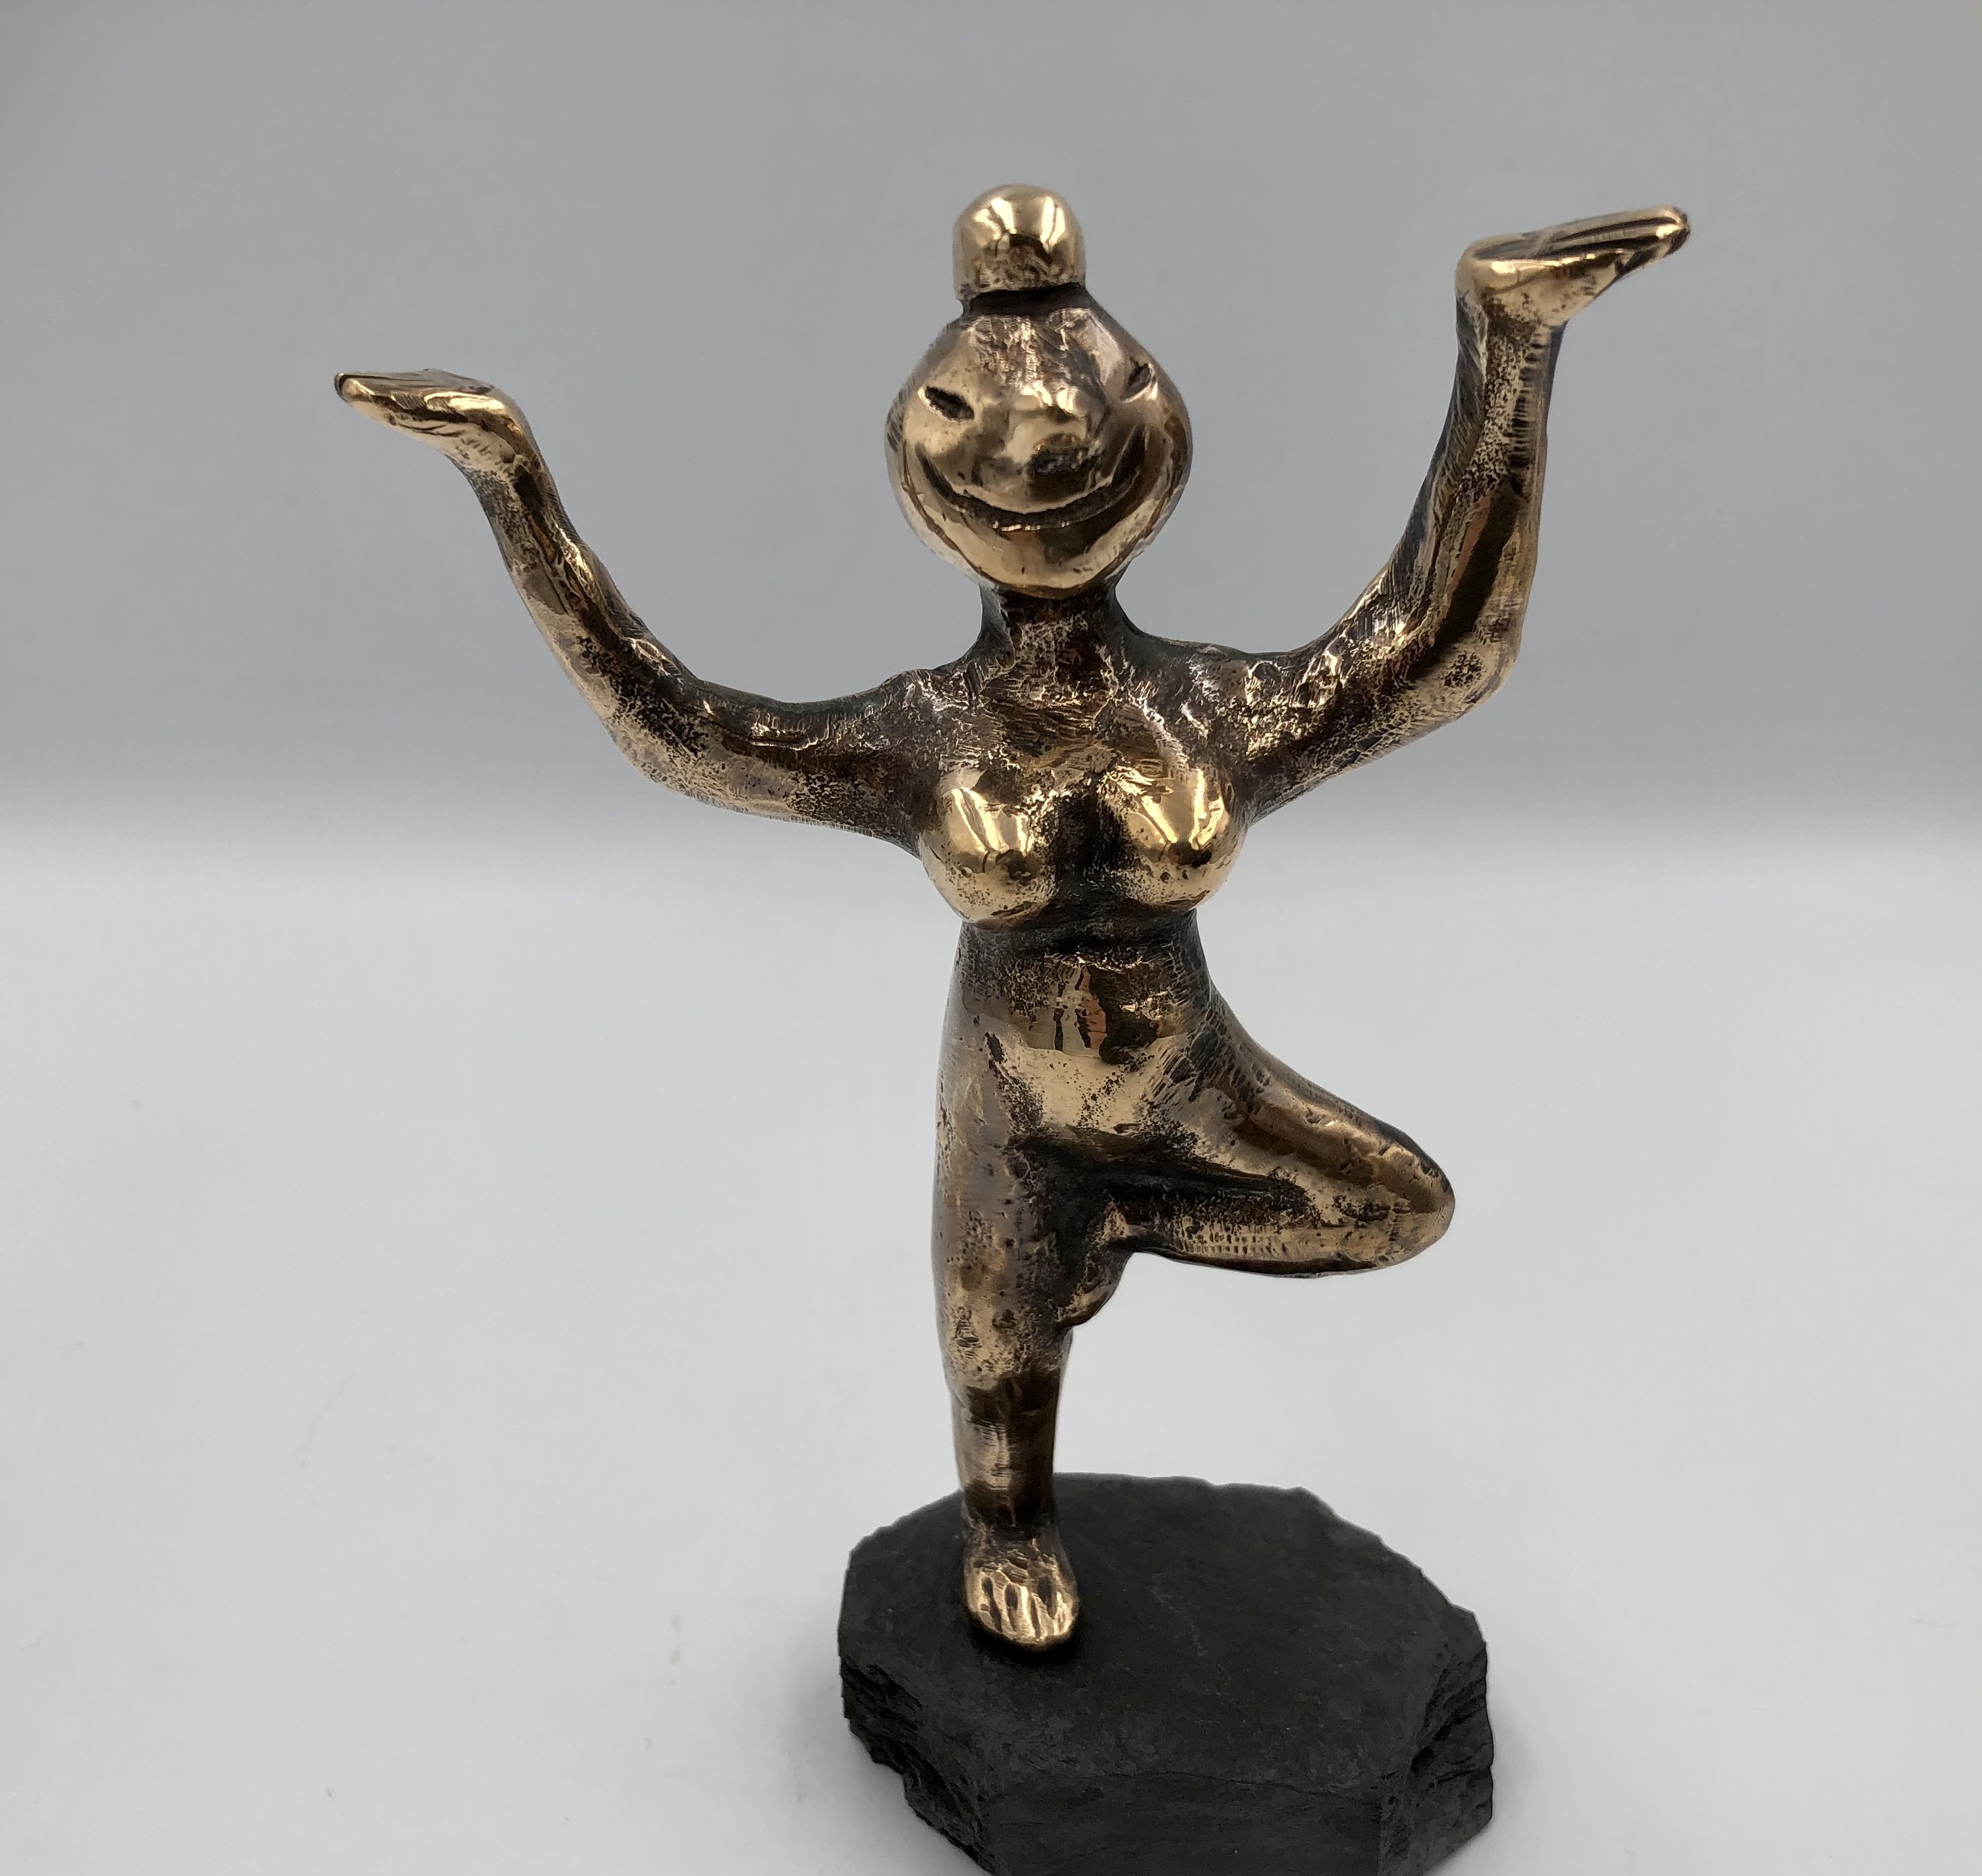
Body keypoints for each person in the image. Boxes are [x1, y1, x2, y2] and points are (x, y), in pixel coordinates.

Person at [338, 185, 1687, 1649]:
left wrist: (1509, 353)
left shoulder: (1207, 709)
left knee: (1390, 1207)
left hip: (1196, 1093)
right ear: (920, 462)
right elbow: (680, 734)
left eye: (1081, 415)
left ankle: (1132, 1211)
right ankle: (1011, 1516)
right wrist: (512, 482)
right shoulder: (928, 734)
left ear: (1151, 432)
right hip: (1014, 1123)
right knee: (996, 1357)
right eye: (969, 418)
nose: (1035, 454)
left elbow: (1439, 649)